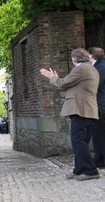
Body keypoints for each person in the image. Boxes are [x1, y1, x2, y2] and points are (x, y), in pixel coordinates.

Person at [40, 47, 100, 181]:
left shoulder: (80, 69)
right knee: (82, 141)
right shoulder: (90, 69)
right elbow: (71, 84)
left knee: (78, 141)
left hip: (81, 109)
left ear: (74, 60)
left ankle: (90, 170)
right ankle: (79, 170)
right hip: (87, 109)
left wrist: (51, 77)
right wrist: (57, 78)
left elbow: (63, 84)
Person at [88, 47, 105, 169]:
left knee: (99, 134)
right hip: (99, 104)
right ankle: (99, 159)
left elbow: (95, 85)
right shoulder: (99, 66)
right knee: (97, 134)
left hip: (101, 105)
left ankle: (101, 160)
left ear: (91, 56)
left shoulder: (100, 67)